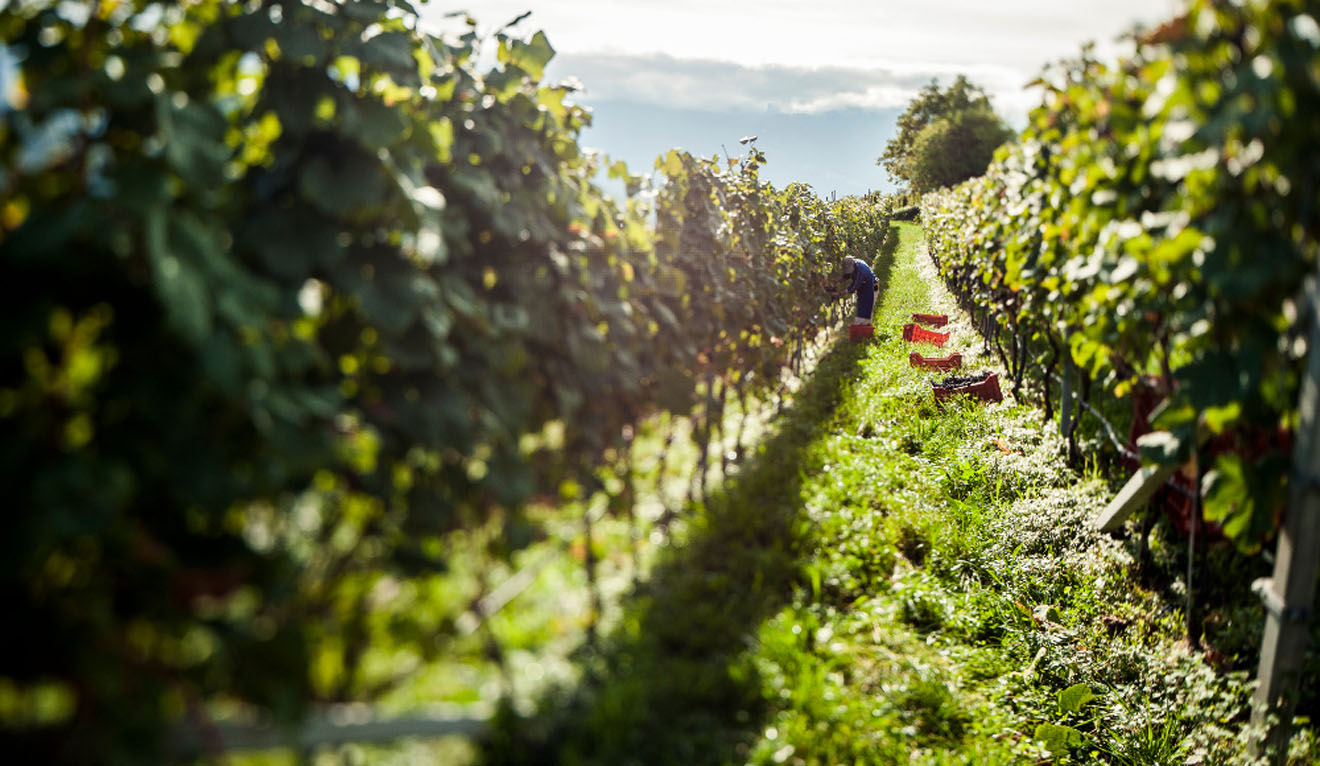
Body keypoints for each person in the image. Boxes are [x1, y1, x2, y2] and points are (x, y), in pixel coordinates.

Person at [840, 256, 876, 325]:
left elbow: (854, 286)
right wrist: (840, 281)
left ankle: (865, 325)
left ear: (853, 265)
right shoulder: (854, 263)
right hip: (863, 284)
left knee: (867, 304)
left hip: (870, 284)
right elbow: (848, 274)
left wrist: (843, 292)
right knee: (861, 302)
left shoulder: (860, 272)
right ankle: (860, 323)